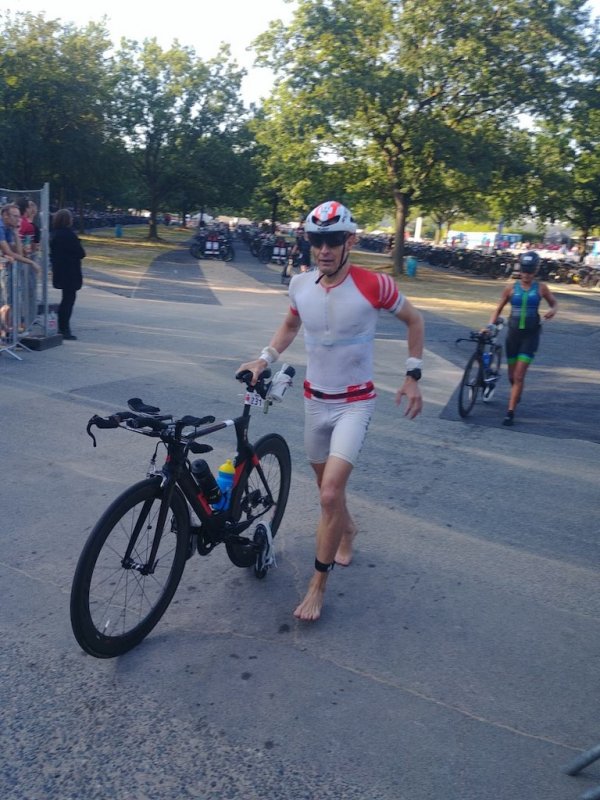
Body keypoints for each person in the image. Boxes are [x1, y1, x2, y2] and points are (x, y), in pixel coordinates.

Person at [238, 200, 424, 621]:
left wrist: (413, 374)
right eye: (316, 240)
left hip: (355, 403)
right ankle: (348, 528)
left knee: (328, 494)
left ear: (350, 241)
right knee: (329, 491)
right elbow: (290, 325)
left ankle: (317, 585)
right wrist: (264, 359)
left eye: (333, 240)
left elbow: (415, 320)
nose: (324, 249)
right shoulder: (300, 285)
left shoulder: (375, 285)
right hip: (314, 402)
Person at [486, 250, 557, 426]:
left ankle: (510, 412)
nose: (527, 274)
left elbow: (554, 303)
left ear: (535, 271)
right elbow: (498, 309)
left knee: (518, 376)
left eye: (530, 271)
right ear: (520, 269)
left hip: (530, 337)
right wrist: (490, 326)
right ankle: (516, 392)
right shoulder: (511, 288)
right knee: (512, 376)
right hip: (513, 336)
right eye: (524, 270)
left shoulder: (541, 288)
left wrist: (553, 310)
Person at [49, 208, 86, 340]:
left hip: (60, 270)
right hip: (70, 271)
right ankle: (64, 328)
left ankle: (62, 326)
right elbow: (81, 253)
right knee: (68, 300)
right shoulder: (69, 235)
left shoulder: (54, 234)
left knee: (66, 299)